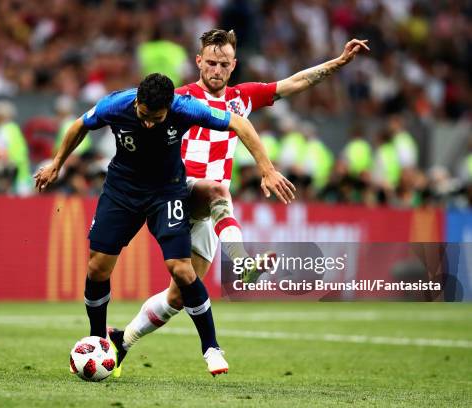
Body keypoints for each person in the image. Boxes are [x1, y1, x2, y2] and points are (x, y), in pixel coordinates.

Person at [116, 29, 369, 376]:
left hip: (204, 212)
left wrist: (339, 62)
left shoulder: (241, 99)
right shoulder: (178, 98)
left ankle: (122, 340)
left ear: (233, 65)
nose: (216, 69)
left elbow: (294, 83)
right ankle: (242, 265)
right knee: (221, 192)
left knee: (179, 296)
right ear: (198, 62)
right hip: (176, 192)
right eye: (210, 63)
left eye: (223, 64)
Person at [34, 73, 293, 376]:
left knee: (182, 270)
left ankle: (210, 346)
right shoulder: (116, 104)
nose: (148, 123)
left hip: (166, 192)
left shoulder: (185, 108)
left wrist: (267, 169)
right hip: (122, 191)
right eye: (143, 115)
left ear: (169, 107)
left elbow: (239, 123)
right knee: (97, 267)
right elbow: (79, 125)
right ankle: (99, 339)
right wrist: (57, 164)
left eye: (156, 118)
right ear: (136, 102)